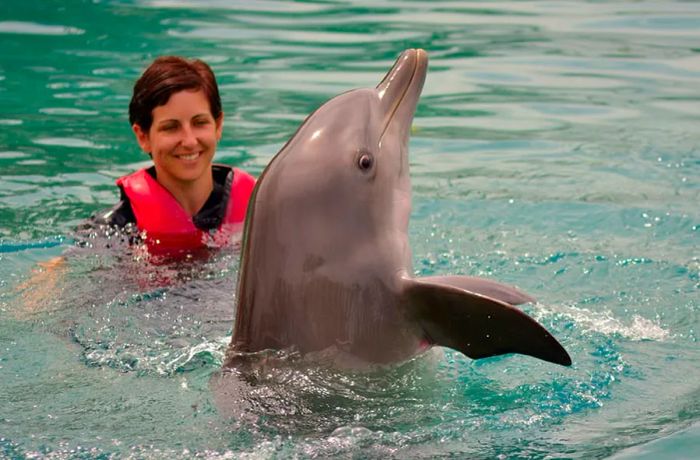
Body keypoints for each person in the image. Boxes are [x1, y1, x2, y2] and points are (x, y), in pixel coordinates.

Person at [91, 56, 255, 256]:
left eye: (199, 123)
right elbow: (57, 272)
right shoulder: (114, 229)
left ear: (218, 125)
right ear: (143, 136)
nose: (189, 141)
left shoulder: (259, 208)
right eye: (171, 127)